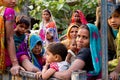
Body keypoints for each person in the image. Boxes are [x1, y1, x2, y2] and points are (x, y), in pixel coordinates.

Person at [0, 0, 24, 75]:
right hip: (4, 58)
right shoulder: (8, 11)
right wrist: (15, 63)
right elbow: (9, 39)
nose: (14, 1)